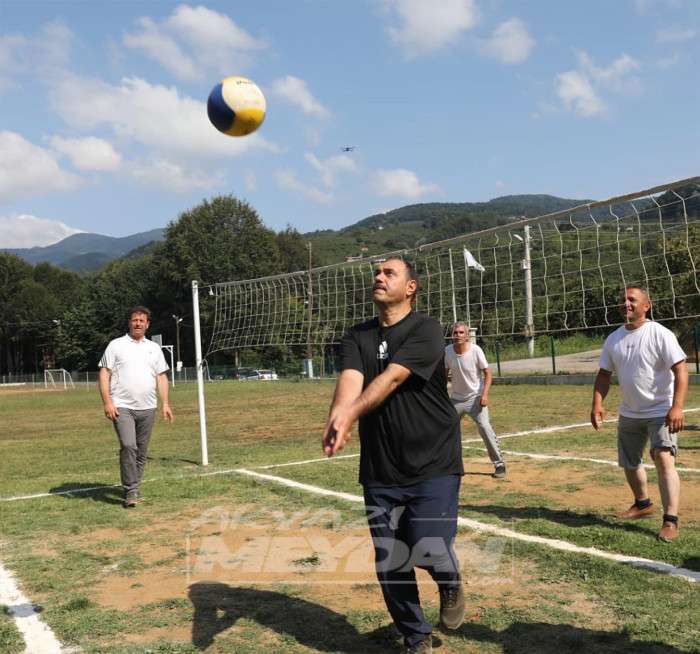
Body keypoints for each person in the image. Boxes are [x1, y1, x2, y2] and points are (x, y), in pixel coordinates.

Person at [322, 257, 464, 654]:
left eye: (389, 273)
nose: (379, 277)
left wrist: (350, 414)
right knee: (391, 561)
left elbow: (392, 377)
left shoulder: (426, 329)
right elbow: (351, 379)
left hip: (433, 460)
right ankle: (416, 637)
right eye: (377, 272)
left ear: (411, 287)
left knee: (427, 545)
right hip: (381, 468)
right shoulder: (357, 336)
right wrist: (338, 417)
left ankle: (449, 581)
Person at [591, 285, 688, 542]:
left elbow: (681, 369)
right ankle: (643, 504)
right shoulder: (613, 339)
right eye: (623, 300)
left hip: (660, 410)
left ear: (647, 305)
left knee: (663, 458)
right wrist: (597, 404)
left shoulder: (660, 333)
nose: (626, 303)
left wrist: (677, 407)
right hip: (629, 413)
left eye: (632, 299)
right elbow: (604, 375)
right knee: (630, 463)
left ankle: (670, 520)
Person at [99, 306, 173, 508]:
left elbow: (161, 376)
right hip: (122, 406)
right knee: (128, 445)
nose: (138, 323)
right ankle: (131, 490)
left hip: (148, 408)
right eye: (135, 320)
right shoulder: (116, 345)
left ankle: (134, 488)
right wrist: (107, 402)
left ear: (147, 324)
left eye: (142, 321)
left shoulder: (154, 348)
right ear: (129, 323)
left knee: (141, 452)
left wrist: (165, 403)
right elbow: (104, 374)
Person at [445, 322, 506, 478]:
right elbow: (444, 375)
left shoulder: (476, 350)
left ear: (467, 335)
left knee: (485, 427)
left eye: (461, 332)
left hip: (475, 397)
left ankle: (499, 464)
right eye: (455, 333)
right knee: (445, 430)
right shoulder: (448, 351)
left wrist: (484, 395)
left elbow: (488, 374)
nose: (458, 335)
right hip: (456, 399)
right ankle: (453, 465)